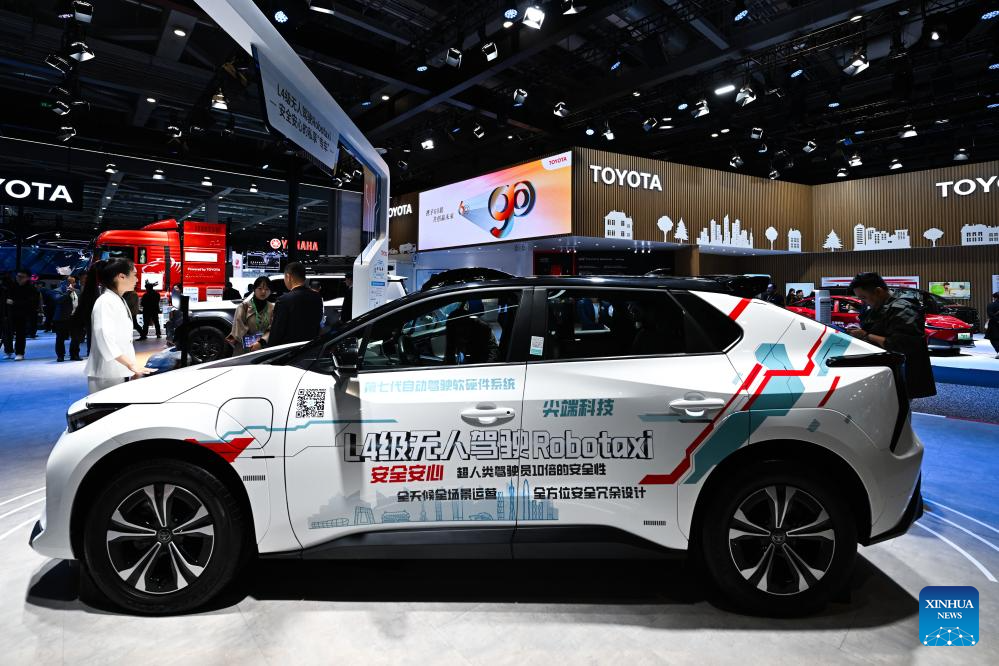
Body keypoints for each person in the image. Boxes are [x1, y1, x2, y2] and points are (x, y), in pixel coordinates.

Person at [848, 272, 936, 399]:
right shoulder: (882, 305)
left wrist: (866, 335)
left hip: (901, 376)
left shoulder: (904, 309)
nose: (863, 302)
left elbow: (900, 345)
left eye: (864, 297)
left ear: (878, 291)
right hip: (886, 373)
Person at [79, 258, 152, 394]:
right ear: (121, 276)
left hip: (118, 370)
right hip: (107, 374)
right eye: (134, 275)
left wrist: (130, 367)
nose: (137, 279)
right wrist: (130, 364)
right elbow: (104, 338)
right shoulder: (105, 301)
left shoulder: (117, 299)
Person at [265, 261, 323, 347]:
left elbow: (277, 331)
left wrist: (269, 349)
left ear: (288, 277)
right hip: (310, 347)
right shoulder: (317, 297)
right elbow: (318, 324)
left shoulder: (283, 300)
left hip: (289, 350)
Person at [227, 276, 274, 355]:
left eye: (267, 289)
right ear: (254, 289)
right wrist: (252, 342)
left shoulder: (272, 308)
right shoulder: (243, 306)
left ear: (270, 291)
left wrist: (261, 342)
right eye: (260, 288)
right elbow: (238, 329)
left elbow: (272, 328)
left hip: (262, 349)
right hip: (244, 350)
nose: (263, 292)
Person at [8, 269, 40, 360]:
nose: (19, 278)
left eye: (22, 277)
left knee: (20, 334)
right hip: (9, 313)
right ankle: (8, 351)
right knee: (7, 333)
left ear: (27, 278)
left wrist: (14, 303)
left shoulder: (31, 289)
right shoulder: (11, 286)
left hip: (23, 314)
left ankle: (19, 352)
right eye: (18, 276)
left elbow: (32, 303)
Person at [53, 277, 79, 362]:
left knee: (76, 337)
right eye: (69, 282)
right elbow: (58, 300)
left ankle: (74, 354)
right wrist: (68, 292)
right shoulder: (57, 291)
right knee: (60, 338)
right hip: (61, 318)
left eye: (73, 282)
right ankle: (60, 356)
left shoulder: (77, 291)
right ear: (64, 282)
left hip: (74, 318)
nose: (71, 284)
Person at [986, 291, 999, 359]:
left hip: (994, 324)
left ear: (994, 298)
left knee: (993, 339)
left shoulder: (990, 305)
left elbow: (990, 315)